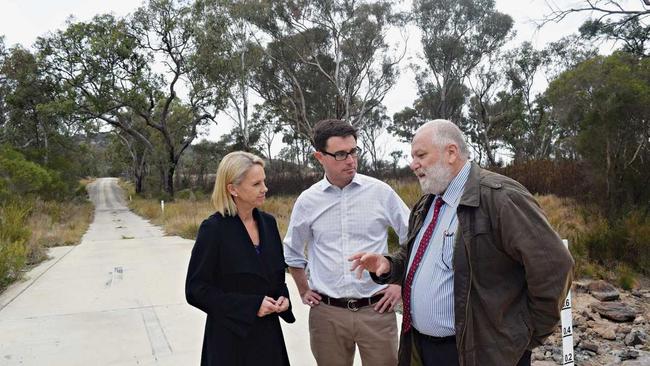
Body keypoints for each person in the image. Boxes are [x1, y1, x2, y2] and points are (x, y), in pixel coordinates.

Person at [349, 119, 574, 366]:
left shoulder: (500, 197)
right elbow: (418, 255)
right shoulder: (428, 202)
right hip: (424, 349)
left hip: (481, 354)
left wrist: (526, 334)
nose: (413, 165)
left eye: (421, 155)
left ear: (451, 153)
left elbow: (554, 266)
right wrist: (389, 265)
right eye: (413, 157)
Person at [283, 119, 410, 366]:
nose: (350, 160)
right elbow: (293, 251)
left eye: (353, 151)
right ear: (320, 157)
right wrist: (303, 289)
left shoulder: (380, 192)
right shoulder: (307, 201)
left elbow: (413, 238)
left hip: (377, 311)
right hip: (327, 315)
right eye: (340, 154)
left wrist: (398, 284)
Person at [186, 151, 295, 366]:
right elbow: (196, 290)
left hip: (269, 340)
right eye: (256, 184)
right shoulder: (213, 230)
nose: (265, 188)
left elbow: (275, 277)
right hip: (229, 343)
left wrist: (283, 298)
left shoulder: (269, 224)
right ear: (232, 189)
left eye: (264, 181)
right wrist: (251, 306)